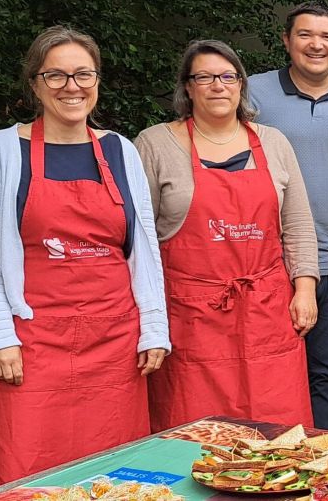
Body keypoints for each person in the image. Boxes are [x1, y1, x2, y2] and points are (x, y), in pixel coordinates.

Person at [0, 26, 169, 488]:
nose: (71, 86)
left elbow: (143, 248)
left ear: (97, 81)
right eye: (56, 75)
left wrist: (154, 327)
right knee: (25, 469)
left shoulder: (120, 149)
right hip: (30, 343)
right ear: (34, 83)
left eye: (83, 74)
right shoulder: (1, 149)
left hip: (115, 343)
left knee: (114, 474)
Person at [136, 40, 317, 432]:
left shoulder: (274, 143)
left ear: (241, 85)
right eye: (204, 77)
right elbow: (138, 238)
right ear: (187, 87)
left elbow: (299, 222)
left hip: (267, 310)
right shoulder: (155, 144)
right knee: (193, 431)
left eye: (227, 76)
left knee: (274, 427)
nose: (217, 85)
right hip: (191, 314)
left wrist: (304, 289)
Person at [250, 2, 328, 431]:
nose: (315, 45)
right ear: (286, 41)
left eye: (326, 37)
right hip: (270, 262)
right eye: (305, 35)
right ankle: (267, 459)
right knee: (269, 371)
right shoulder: (251, 96)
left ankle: (322, 459)